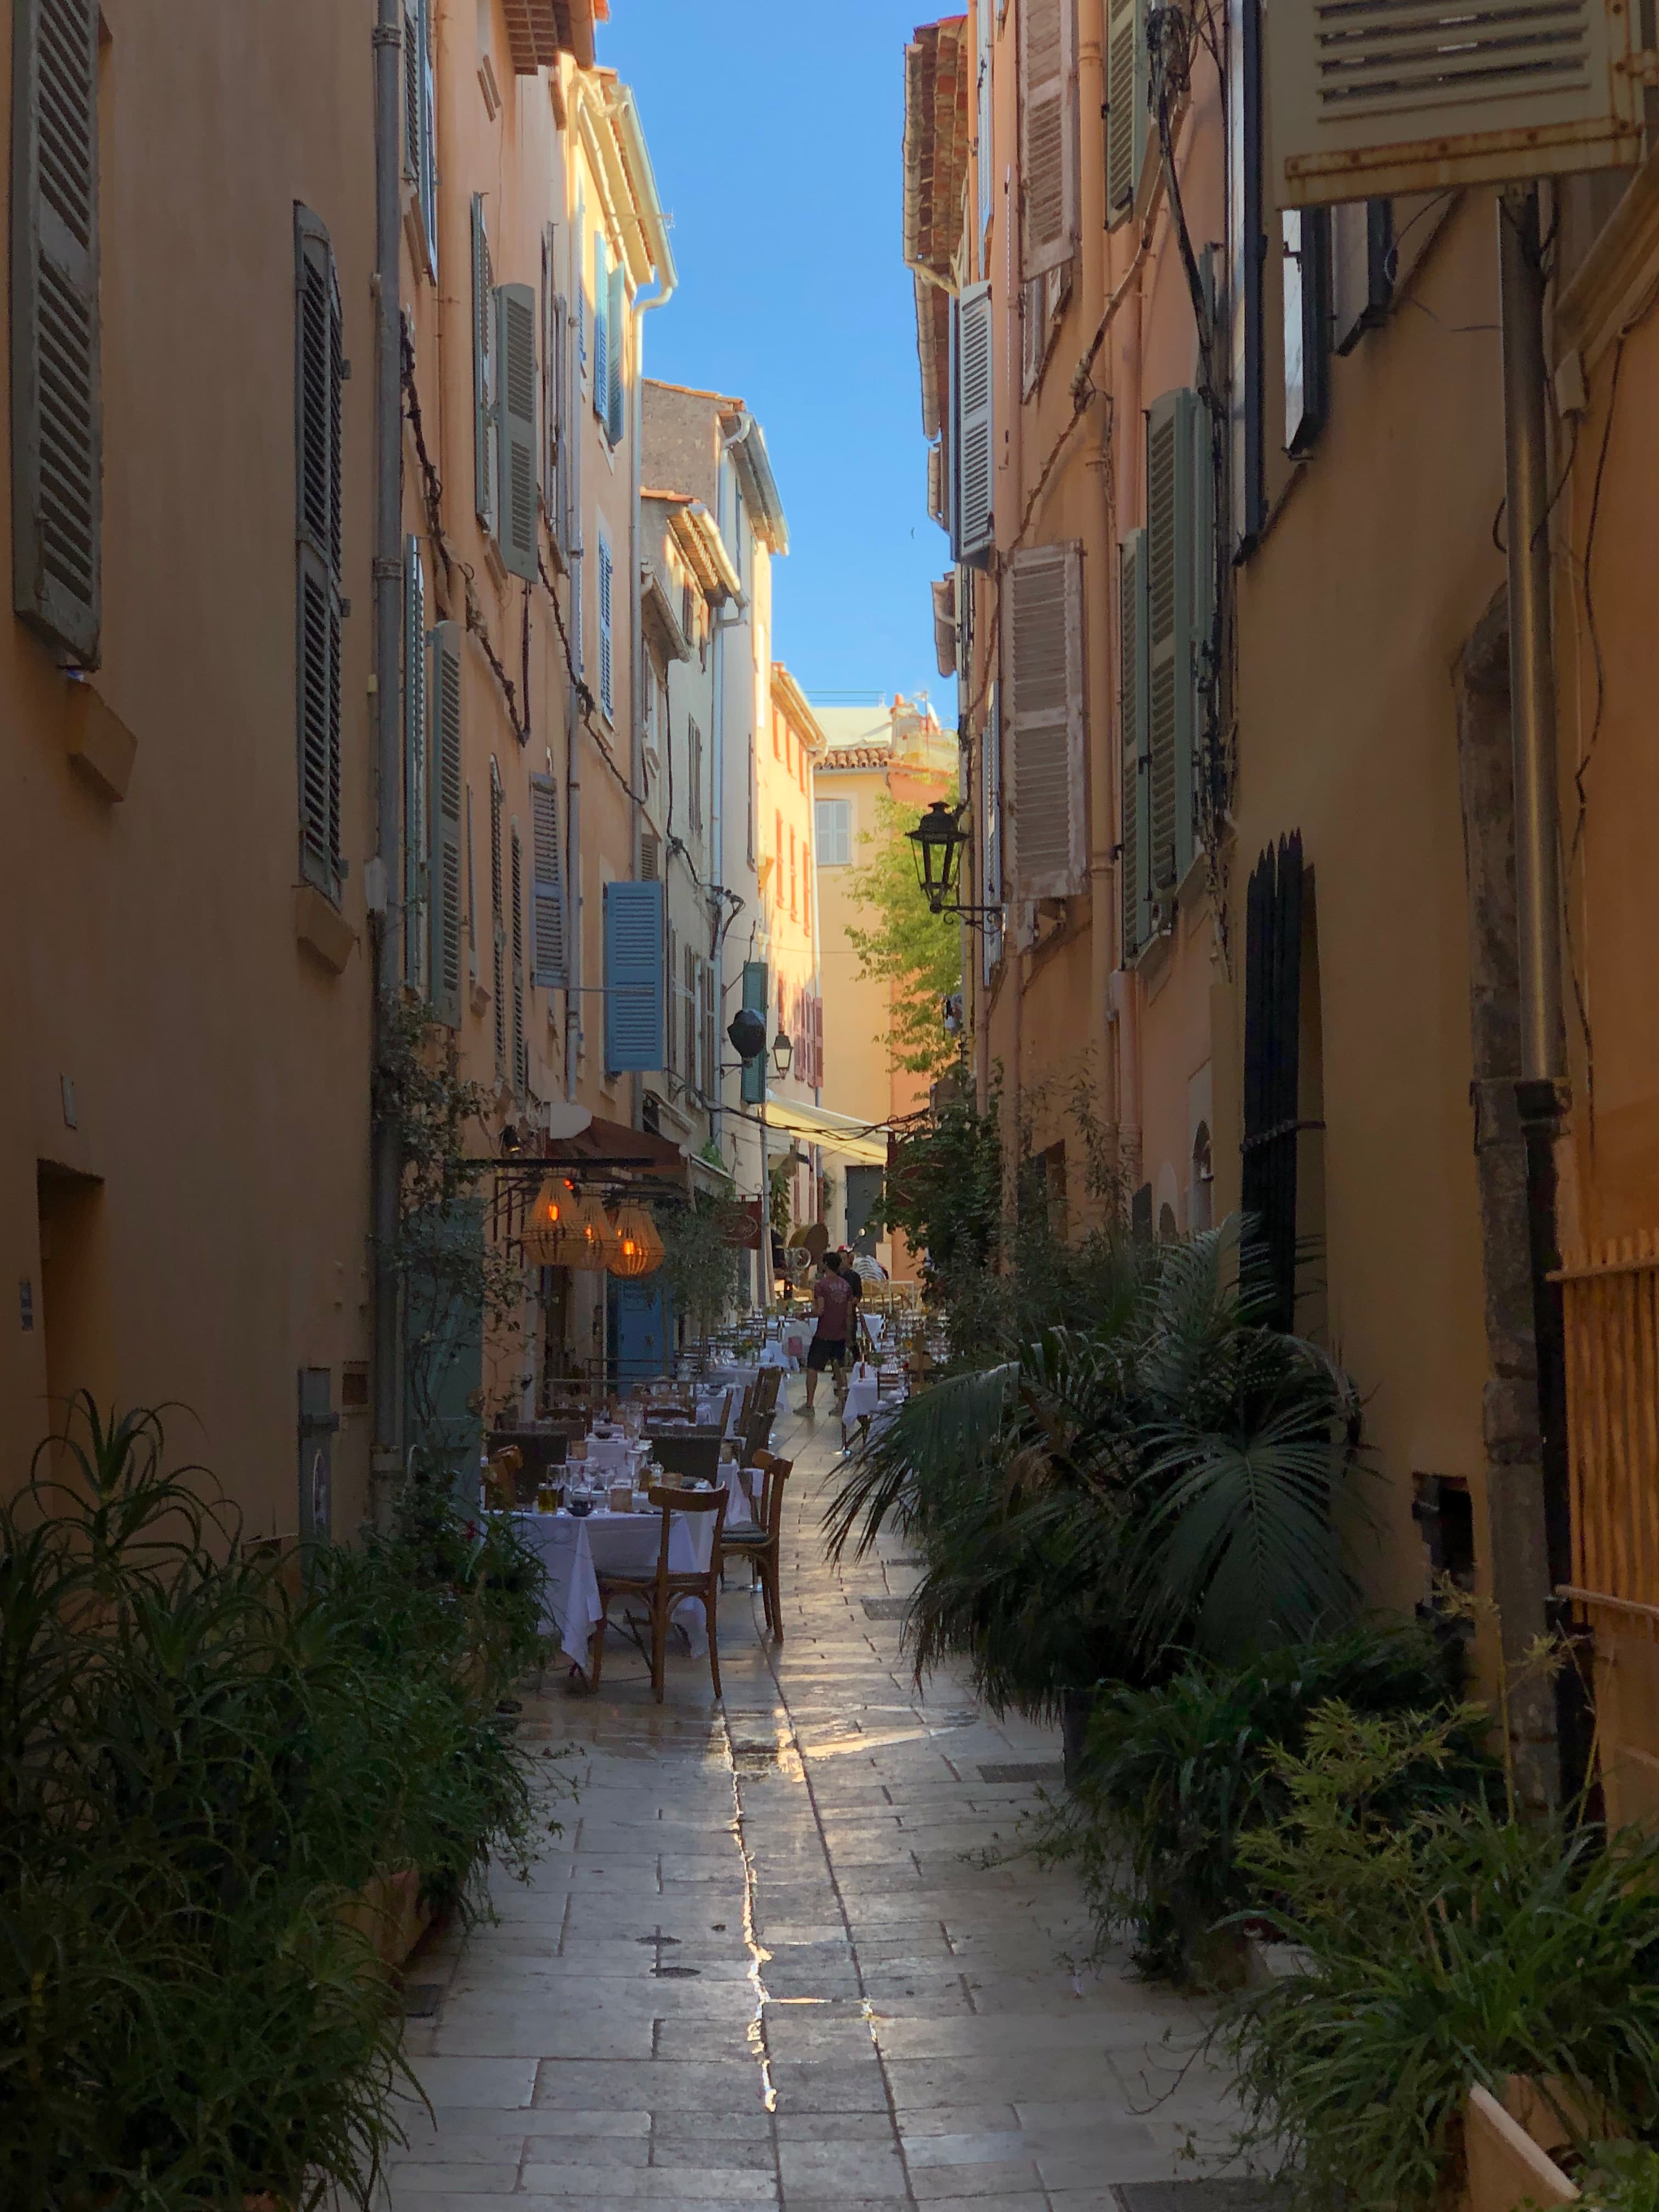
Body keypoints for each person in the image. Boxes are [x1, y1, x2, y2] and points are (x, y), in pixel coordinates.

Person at [803, 1250, 855, 1413]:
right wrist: (849, 1335)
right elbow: (848, 1313)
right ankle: (842, 1404)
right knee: (840, 1369)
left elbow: (820, 1310)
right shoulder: (846, 1286)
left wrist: (805, 1314)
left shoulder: (821, 1286)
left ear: (826, 1264)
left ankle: (810, 1404)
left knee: (813, 1367)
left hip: (824, 1333)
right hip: (840, 1333)